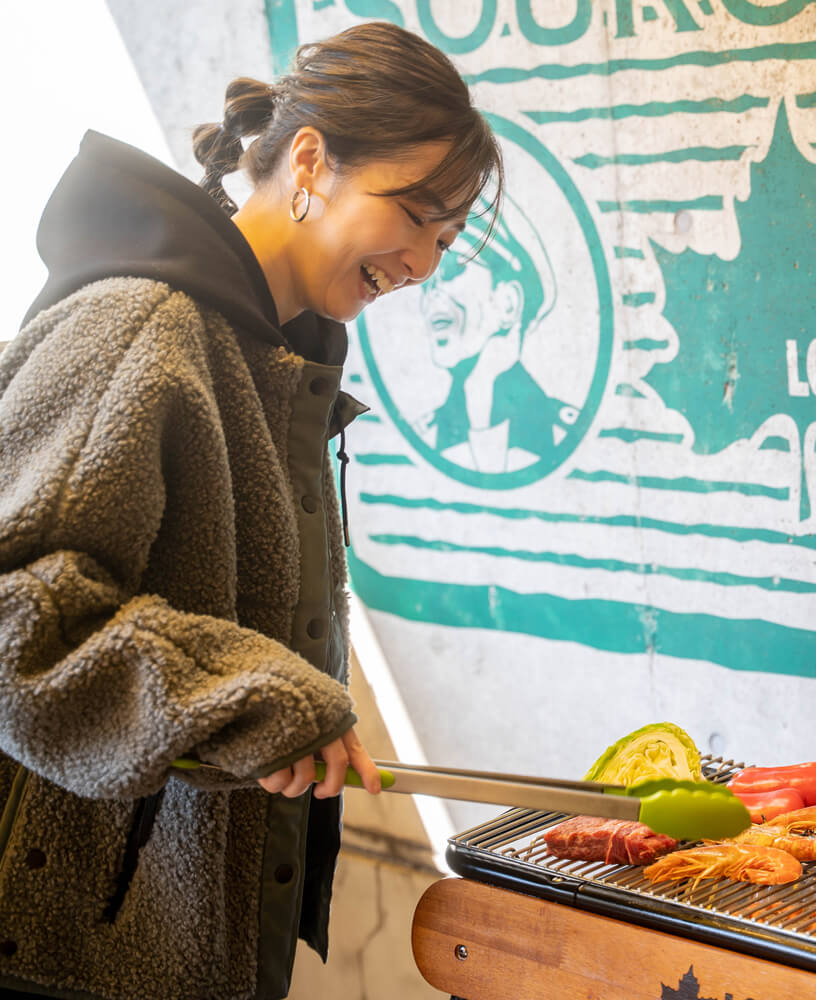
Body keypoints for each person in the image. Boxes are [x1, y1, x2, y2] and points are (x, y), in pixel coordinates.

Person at [0, 21, 500, 1000]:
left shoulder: (277, 359)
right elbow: (16, 615)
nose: (424, 265)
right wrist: (251, 695)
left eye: (446, 240)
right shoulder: (140, 322)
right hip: (63, 949)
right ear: (309, 158)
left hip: (183, 941)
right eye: (415, 218)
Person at [417, 206, 579, 474]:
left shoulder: (563, 429)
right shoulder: (426, 434)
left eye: (450, 271)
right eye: (427, 283)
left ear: (507, 304)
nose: (431, 295)